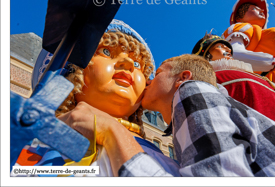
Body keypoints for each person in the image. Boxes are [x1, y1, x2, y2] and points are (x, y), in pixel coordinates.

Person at [54, 54, 275, 177]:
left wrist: (114, 132)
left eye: (155, 73)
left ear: (182, 78)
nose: (147, 80)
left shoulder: (193, 93)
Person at [12, 19, 180, 177]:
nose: (128, 63)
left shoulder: (172, 165)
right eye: (106, 52)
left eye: (137, 65)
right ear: (73, 74)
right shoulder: (32, 150)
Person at [192, 33, 275, 130]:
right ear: (207, 55)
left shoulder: (245, 72)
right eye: (220, 46)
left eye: (227, 46)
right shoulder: (212, 80)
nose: (228, 49)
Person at [222, 0, 275, 93]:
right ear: (239, 19)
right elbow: (233, 56)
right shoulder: (245, 28)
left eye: (261, 9)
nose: (262, 10)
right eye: (254, 8)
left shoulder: (268, 33)